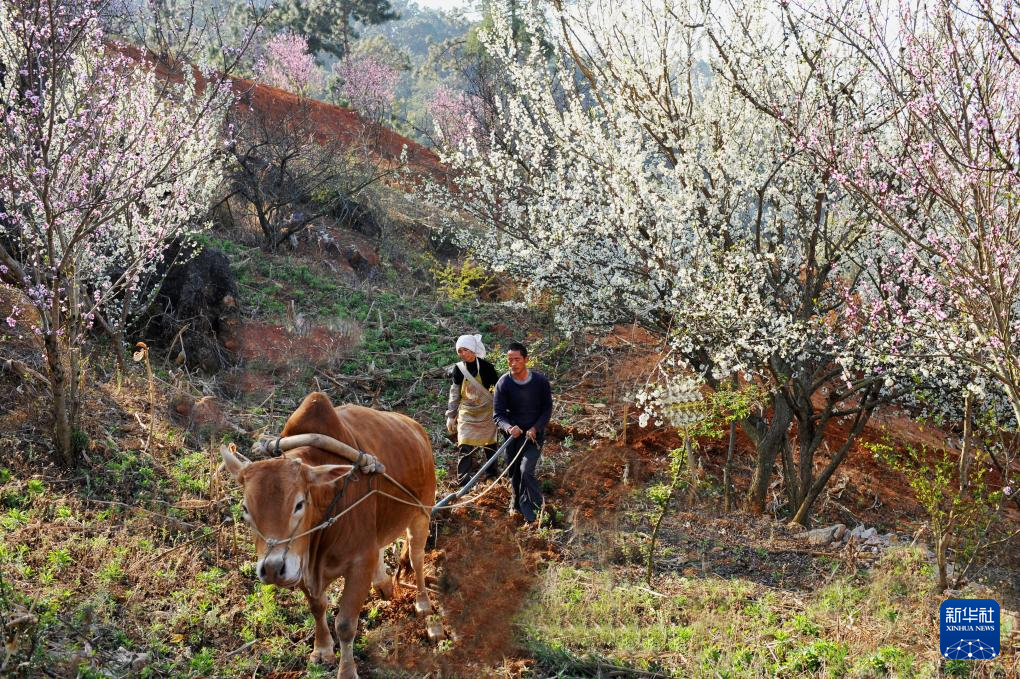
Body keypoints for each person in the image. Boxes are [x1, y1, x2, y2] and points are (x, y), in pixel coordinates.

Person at [493, 341, 553, 522]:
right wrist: (509, 428)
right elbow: (498, 414)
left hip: (533, 437)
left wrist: (535, 428)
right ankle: (516, 503)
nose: (513, 363)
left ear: (526, 359)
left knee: (526, 470)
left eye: (517, 359)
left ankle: (537, 509)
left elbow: (547, 409)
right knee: (514, 473)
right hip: (513, 438)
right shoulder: (503, 383)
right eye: (510, 360)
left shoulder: (540, 382)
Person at [445, 334, 501, 486]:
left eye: (465, 350)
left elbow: (496, 391)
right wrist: (451, 414)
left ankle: (491, 475)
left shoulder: (487, 368)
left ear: (473, 350)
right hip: (467, 413)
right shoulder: (458, 369)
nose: (462, 354)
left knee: (490, 445)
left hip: (486, 412)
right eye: (460, 351)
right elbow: (455, 392)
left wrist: (500, 412)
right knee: (464, 444)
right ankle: (464, 479)